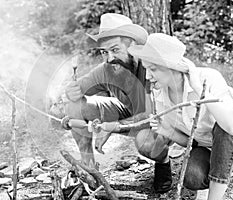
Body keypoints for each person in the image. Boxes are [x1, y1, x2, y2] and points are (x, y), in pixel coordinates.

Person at [127, 33, 233, 200]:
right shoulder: (160, 95)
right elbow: (191, 142)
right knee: (192, 176)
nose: (148, 76)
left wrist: (200, 90)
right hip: (208, 150)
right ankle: (209, 185)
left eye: (153, 69)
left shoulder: (207, 77)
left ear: (172, 67)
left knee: (221, 126)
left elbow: (232, 127)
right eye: (146, 69)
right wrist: (168, 131)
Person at [65, 13, 173, 193]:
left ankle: (163, 162)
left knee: (145, 144)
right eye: (104, 52)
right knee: (76, 105)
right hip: (127, 111)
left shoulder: (151, 68)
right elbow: (77, 90)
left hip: (160, 120)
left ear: (132, 46)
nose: (109, 58)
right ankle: (89, 169)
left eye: (115, 50)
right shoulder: (106, 69)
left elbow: (150, 115)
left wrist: (110, 127)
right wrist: (71, 92)